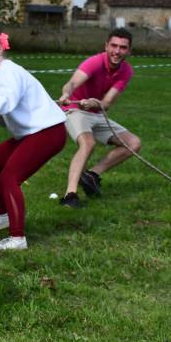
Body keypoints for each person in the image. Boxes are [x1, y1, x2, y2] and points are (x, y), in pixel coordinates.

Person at [0, 31, 67, 250]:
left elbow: (8, 103)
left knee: (9, 177)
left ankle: (17, 238)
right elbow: (6, 117)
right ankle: (3, 215)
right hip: (32, 133)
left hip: (49, 131)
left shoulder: (9, 72)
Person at [56, 28, 141, 209]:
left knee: (134, 143)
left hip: (97, 112)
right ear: (106, 46)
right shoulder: (94, 62)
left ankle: (92, 175)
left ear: (129, 51)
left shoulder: (126, 71)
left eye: (123, 48)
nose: (117, 51)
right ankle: (70, 195)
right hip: (75, 110)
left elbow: (107, 102)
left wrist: (95, 103)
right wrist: (65, 94)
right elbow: (72, 83)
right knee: (88, 143)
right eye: (114, 46)